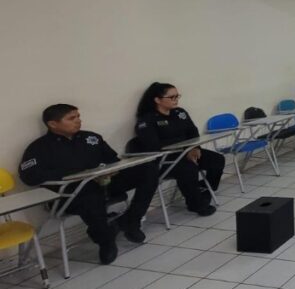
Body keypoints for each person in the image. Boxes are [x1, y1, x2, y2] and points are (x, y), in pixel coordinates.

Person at [19, 104, 159, 264]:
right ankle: (106, 241)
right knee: (90, 196)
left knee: (148, 170)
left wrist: (111, 170)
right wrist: (76, 174)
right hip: (70, 194)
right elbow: (29, 177)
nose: (78, 120)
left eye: (78, 116)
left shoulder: (91, 138)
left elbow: (112, 160)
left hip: (102, 183)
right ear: (53, 124)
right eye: (71, 118)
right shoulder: (39, 148)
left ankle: (131, 221)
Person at [134, 82, 224, 216]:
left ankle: (204, 189)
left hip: (187, 151)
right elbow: (153, 145)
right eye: (172, 97)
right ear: (157, 100)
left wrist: (195, 147)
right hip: (166, 159)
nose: (176, 100)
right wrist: (185, 148)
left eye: (177, 96)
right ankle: (195, 204)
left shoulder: (180, 113)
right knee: (188, 168)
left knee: (217, 160)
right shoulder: (147, 120)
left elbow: (192, 132)